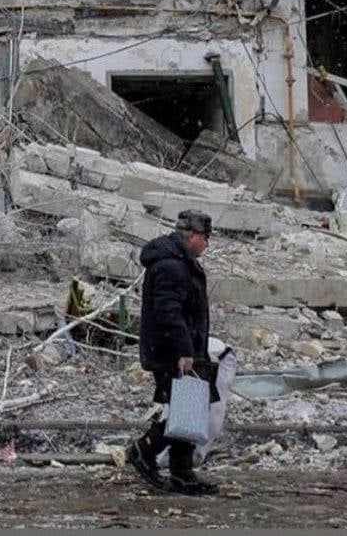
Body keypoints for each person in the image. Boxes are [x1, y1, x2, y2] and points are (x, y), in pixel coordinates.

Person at [127, 209, 219, 496]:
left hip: (183, 348)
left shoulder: (178, 261)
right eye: (205, 238)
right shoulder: (172, 266)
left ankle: (182, 472)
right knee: (187, 408)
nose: (206, 244)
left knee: (190, 406)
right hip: (173, 352)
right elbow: (169, 311)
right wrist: (184, 350)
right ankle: (143, 450)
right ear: (191, 236)